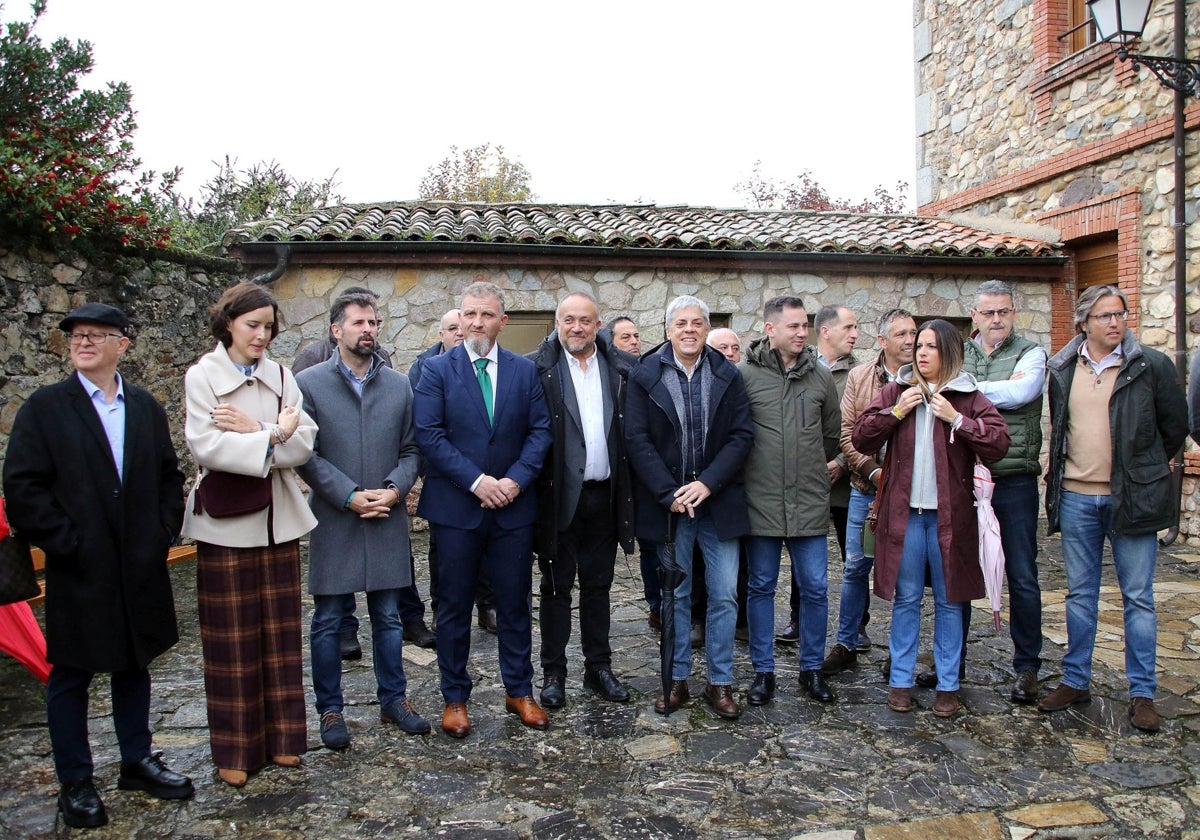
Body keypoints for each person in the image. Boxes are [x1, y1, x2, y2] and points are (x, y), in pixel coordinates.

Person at [4, 303, 192, 827]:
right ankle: (76, 782)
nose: (82, 342)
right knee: (71, 673)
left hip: (139, 563)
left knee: (135, 663)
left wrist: (161, 533)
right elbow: (22, 486)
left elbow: (166, 476)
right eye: (76, 335)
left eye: (95, 334)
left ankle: (136, 760)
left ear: (122, 344)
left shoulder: (144, 406)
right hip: (80, 567)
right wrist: (67, 543)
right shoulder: (45, 408)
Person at [183, 282, 318, 787]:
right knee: (231, 644)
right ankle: (235, 752)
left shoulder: (283, 375)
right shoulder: (203, 376)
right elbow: (207, 448)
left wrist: (257, 432)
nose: (262, 335)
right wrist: (271, 432)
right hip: (225, 525)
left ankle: (284, 740)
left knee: (281, 638)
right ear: (229, 324)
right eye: (252, 325)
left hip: (278, 520)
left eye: (268, 326)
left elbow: (304, 442)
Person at [1041, 285, 1186, 733]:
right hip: (1078, 497)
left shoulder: (1152, 366)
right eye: (1103, 316)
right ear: (1084, 322)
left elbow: (1174, 428)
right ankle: (1075, 680)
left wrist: (1141, 469)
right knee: (1080, 595)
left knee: (1138, 598)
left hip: (1133, 497)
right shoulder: (1063, 368)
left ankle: (1142, 692)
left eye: (1119, 314)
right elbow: (1062, 429)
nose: (1114, 322)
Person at [413, 281, 553, 738]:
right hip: (457, 509)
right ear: (461, 316)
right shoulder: (436, 371)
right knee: (453, 607)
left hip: (513, 508)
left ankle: (519, 691)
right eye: (470, 314)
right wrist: (478, 482)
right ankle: (455, 697)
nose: (477, 322)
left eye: (487, 315)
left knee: (514, 604)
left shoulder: (523, 371)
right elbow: (430, 436)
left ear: (502, 321)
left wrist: (513, 480)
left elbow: (540, 432)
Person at [853, 319, 1009, 718]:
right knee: (906, 600)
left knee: (950, 601)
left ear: (949, 352)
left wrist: (957, 419)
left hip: (951, 519)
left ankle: (947, 684)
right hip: (905, 519)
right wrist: (895, 411)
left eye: (931, 346)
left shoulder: (968, 396)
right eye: (918, 345)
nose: (921, 352)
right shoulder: (896, 391)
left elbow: (998, 444)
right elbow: (861, 437)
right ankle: (901, 681)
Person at [296, 292, 430, 749]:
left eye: (373, 321)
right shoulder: (309, 384)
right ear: (336, 330)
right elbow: (305, 456)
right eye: (358, 322)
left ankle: (395, 699)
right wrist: (349, 495)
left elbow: (412, 449)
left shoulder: (398, 385)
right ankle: (330, 710)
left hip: (387, 515)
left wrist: (394, 490)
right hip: (335, 517)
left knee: (389, 618)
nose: (368, 329)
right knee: (329, 619)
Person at [625, 295, 753, 719]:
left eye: (697, 323)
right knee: (674, 596)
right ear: (667, 330)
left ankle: (720, 682)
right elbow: (637, 441)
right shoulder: (645, 374)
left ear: (706, 327)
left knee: (724, 595)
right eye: (680, 323)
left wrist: (707, 483)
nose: (689, 330)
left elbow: (741, 437)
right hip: (670, 508)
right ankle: (676, 678)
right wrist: (670, 492)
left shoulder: (727, 373)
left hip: (718, 503)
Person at [529, 292, 636, 710]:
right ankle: (553, 673)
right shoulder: (539, 370)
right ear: (557, 323)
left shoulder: (622, 369)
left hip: (604, 498)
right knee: (555, 589)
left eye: (586, 320)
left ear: (598, 325)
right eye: (569, 319)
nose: (577, 327)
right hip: (557, 500)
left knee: (598, 587)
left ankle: (599, 668)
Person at [740, 296, 842, 706]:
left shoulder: (820, 376)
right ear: (770, 329)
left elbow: (830, 436)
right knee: (761, 586)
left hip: (809, 503)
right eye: (794, 327)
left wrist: (814, 474)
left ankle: (811, 670)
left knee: (816, 588)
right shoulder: (744, 376)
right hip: (760, 502)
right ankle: (763, 672)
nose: (803, 333)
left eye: (806, 326)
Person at [963, 280, 1048, 704]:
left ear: (1014, 314)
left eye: (1005, 311)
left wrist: (967, 389)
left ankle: (1027, 666)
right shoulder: (958, 352)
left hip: (1013, 480)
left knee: (1022, 575)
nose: (997, 319)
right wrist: (995, 391)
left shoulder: (1031, 353)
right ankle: (950, 661)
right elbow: (1004, 394)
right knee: (956, 571)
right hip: (963, 479)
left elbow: (1025, 391)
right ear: (974, 316)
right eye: (989, 312)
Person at [822, 309, 917, 675]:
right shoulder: (860, 377)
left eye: (913, 333)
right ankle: (846, 641)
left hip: (910, 496)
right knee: (855, 568)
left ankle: (900, 652)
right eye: (901, 334)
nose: (910, 341)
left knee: (904, 574)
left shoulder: (926, 379)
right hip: (867, 489)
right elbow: (848, 435)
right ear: (882, 341)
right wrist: (875, 473)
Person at [410, 308, 497, 635]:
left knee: (487, 545)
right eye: (452, 329)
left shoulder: (492, 367)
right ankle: (441, 608)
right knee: (441, 552)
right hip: (445, 479)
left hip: (488, 479)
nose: (459, 334)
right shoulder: (424, 370)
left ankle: (487, 605)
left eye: (460, 329)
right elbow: (425, 429)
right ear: (443, 334)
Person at [780, 305, 858, 644]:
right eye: (849, 328)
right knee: (804, 558)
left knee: (852, 558)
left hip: (843, 480)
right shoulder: (800, 366)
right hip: (804, 483)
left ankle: (857, 625)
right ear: (825, 331)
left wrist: (841, 462)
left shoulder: (861, 372)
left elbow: (856, 427)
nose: (855, 334)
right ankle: (798, 621)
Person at [688, 327, 751, 648]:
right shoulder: (702, 381)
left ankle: (738, 623)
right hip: (690, 492)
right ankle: (696, 619)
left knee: (735, 570)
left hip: (732, 490)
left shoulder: (742, 382)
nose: (729, 353)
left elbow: (742, 436)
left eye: (735, 347)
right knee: (695, 567)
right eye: (722, 347)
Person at [605, 314, 660, 629]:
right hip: (613, 478)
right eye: (626, 337)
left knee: (651, 543)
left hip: (645, 477)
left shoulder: (651, 373)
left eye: (637, 336)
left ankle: (657, 605)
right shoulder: (607, 377)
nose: (635, 342)